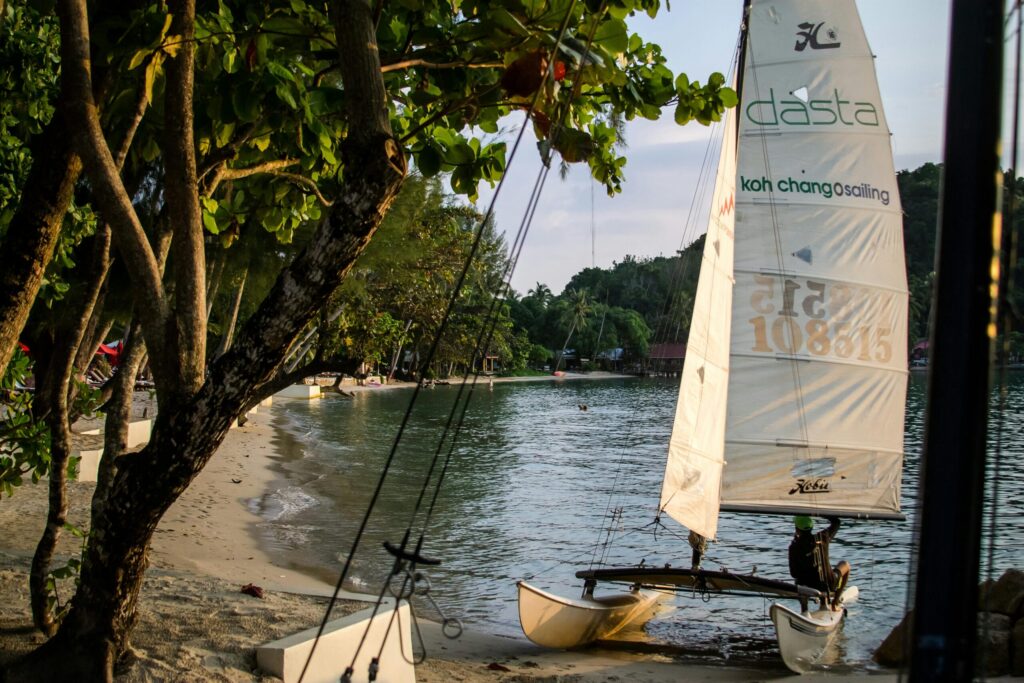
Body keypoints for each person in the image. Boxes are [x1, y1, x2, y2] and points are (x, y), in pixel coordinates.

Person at [787, 515, 850, 611]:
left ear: (797, 529)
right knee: (845, 565)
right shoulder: (823, 537)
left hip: (807, 587)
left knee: (798, 580)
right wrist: (820, 513)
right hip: (829, 584)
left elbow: (794, 573)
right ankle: (834, 602)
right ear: (811, 527)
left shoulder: (794, 547)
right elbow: (836, 522)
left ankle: (805, 610)